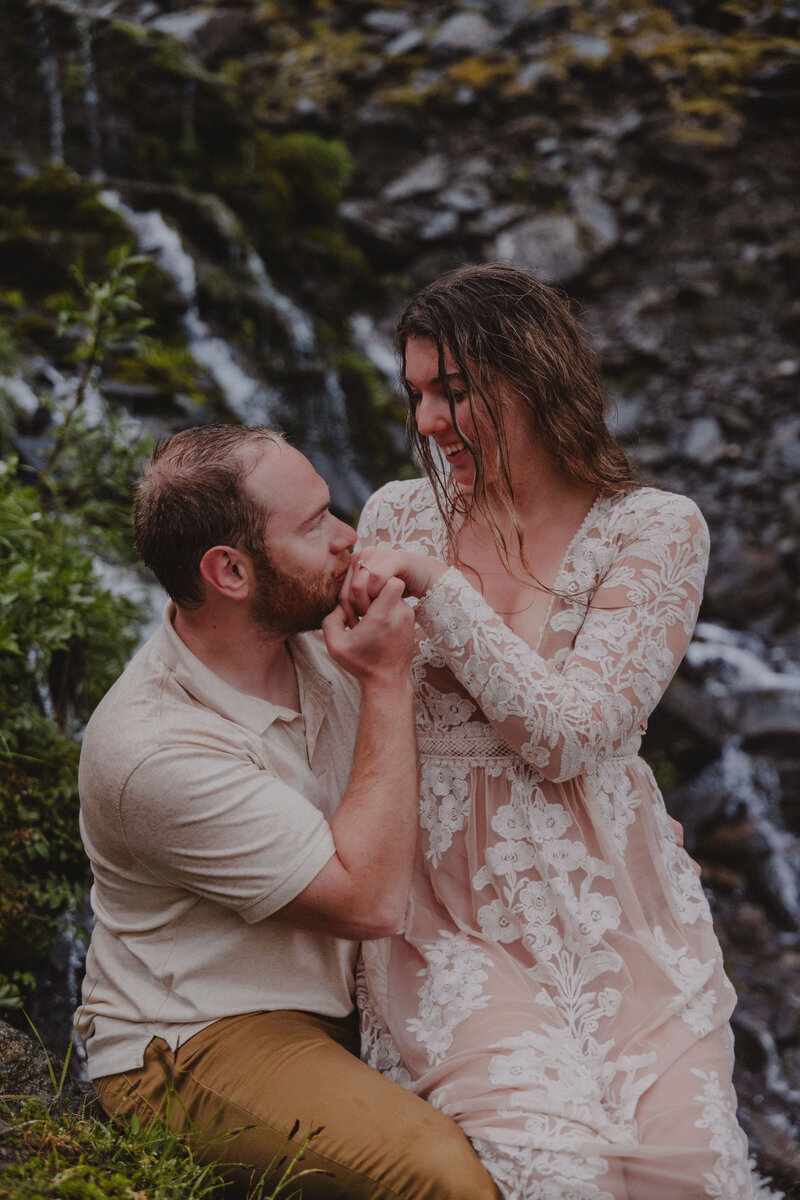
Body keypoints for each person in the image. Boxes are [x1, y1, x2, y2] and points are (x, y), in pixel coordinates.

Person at [338, 263, 771, 1199]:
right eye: (416, 394)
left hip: (615, 902)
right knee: (557, 1171)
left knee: (689, 1176)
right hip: (446, 917)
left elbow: (571, 736)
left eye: (454, 392)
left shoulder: (657, 530)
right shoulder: (399, 512)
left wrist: (437, 587)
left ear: (535, 377)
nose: (427, 423)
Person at [76, 425, 501, 1200]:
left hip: (356, 986)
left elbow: (485, 740)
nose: (349, 539)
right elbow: (366, 902)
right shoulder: (152, 752)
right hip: (206, 1034)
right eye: (314, 526)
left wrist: (618, 822)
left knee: (556, 1117)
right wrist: (385, 685)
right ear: (231, 570)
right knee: (442, 1175)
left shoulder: (313, 640)